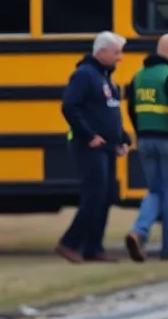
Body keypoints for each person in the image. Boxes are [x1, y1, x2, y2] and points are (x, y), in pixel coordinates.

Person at [56, 31, 131, 263]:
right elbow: (70, 106)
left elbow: (111, 113)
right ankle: (69, 243)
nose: (120, 58)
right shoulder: (84, 75)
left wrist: (122, 138)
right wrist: (89, 135)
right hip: (88, 146)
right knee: (94, 195)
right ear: (102, 52)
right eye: (116, 53)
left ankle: (93, 247)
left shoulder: (105, 78)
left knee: (106, 196)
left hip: (107, 147)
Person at [124, 34, 168, 262]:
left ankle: (139, 231)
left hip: (146, 141)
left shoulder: (138, 76)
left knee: (155, 191)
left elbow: (131, 109)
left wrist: (141, 133)